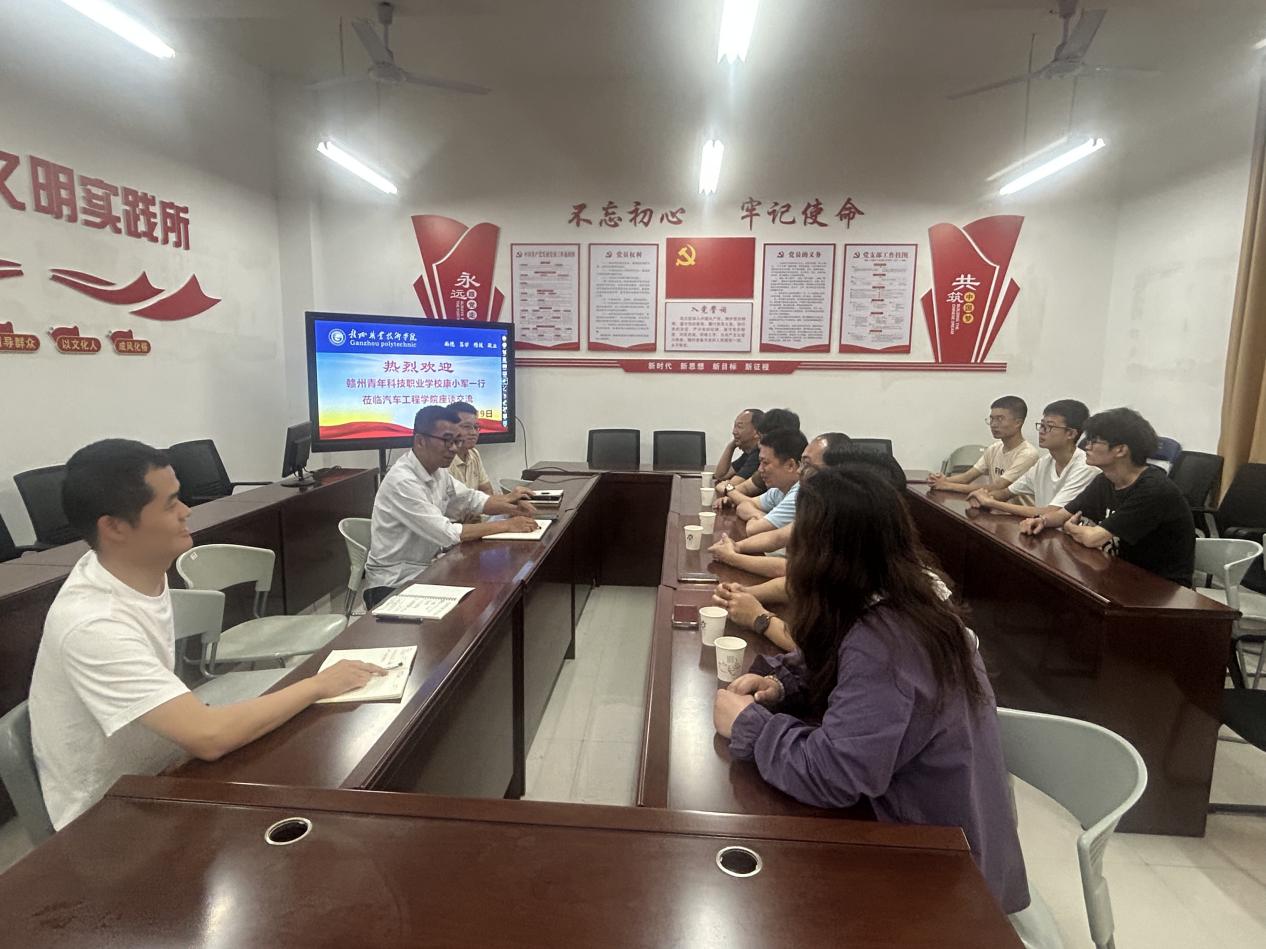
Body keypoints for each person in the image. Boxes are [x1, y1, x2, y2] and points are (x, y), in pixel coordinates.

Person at [711, 467, 1029, 914]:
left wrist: (751, 727)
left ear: (826, 554)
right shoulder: (900, 597)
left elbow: (835, 774)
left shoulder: (887, 642)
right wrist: (783, 684)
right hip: (944, 833)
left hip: (942, 875)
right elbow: (836, 660)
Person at [28, 439, 388, 831]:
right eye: (170, 504)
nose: (186, 511)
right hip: (109, 821)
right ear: (113, 527)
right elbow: (208, 736)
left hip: (168, 772)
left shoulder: (132, 569)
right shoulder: (93, 623)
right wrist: (318, 685)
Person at [713, 448, 924, 649]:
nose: (801, 473)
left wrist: (760, 619)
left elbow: (820, 650)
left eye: (809, 466)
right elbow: (802, 579)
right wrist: (746, 594)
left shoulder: (885, 607)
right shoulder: (863, 559)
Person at [364, 406, 539, 607]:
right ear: (420, 441)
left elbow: (472, 499)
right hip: (392, 583)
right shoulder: (402, 481)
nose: (454, 448)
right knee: (476, 603)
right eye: (447, 440)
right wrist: (506, 525)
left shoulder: (438, 472)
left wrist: (513, 507)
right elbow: (446, 533)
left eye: (457, 441)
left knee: (492, 589)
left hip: (427, 570)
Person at [1019, 407, 1196, 587]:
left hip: (1160, 586)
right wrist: (1041, 521)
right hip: (1119, 571)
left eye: (1094, 441)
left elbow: (1093, 538)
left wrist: (1069, 527)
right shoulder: (1105, 480)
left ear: (1120, 450)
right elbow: (1063, 514)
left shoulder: (1153, 489)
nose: (1086, 446)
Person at [709, 433, 851, 579]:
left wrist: (732, 557)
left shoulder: (846, 511)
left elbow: (792, 570)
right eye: (802, 463)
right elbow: (777, 537)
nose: (799, 471)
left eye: (807, 465)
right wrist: (736, 546)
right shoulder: (816, 503)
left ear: (834, 470)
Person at [968, 399, 1097, 518]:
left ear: (1071, 433)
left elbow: (1052, 512)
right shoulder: (1044, 462)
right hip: (1038, 528)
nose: (1041, 431)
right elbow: (1007, 492)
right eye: (1041, 425)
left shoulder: (1086, 467)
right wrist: (983, 496)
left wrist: (991, 502)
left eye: (1049, 427)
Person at [928, 395, 1038, 496]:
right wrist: (943, 480)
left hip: (1015, 511)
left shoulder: (1027, 454)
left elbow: (997, 487)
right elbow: (966, 477)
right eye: (992, 419)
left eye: (1000, 419)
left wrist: (947, 485)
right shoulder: (994, 448)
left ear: (1018, 423)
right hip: (993, 507)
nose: (993, 424)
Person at [715, 407, 801, 503]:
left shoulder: (800, 486)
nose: (759, 443)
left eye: (762, 438)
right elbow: (743, 491)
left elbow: (734, 489)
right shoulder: (763, 460)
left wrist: (728, 489)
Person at [732, 428, 808, 536]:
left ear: (790, 465)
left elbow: (752, 529)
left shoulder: (800, 494)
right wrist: (759, 515)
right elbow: (743, 505)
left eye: (765, 463)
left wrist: (757, 517)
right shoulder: (779, 490)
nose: (760, 469)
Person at [448, 401, 494, 495]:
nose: (473, 433)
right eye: (467, 427)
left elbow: (486, 490)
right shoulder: (443, 459)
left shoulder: (474, 453)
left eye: (476, 427)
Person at [710, 408, 765, 484]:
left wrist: (727, 484)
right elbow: (720, 475)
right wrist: (731, 446)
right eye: (734, 426)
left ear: (756, 432)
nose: (734, 432)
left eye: (739, 427)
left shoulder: (759, 453)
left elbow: (732, 485)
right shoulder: (748, 453)